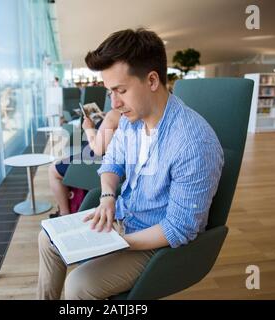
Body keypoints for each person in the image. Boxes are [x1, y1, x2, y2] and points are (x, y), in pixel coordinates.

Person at [37, 28, 224, 300]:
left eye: (120, 90)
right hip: (123, 217)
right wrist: (108, 197)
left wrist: (117, 244)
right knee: (47, 238)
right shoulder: (130, 120)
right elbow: (112, 161)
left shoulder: (194, 143)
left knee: (78, 285)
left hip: (156, 242)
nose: (114, 103)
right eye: (110, 91)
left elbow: (179, 227)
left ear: (151, 80)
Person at [48, 108, 120, 218]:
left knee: (53, 170)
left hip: (95, 160)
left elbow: (98, 149)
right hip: (96, 157)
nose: (114, 102)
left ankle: (64, 214)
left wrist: (88, 128)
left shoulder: (115, 114)